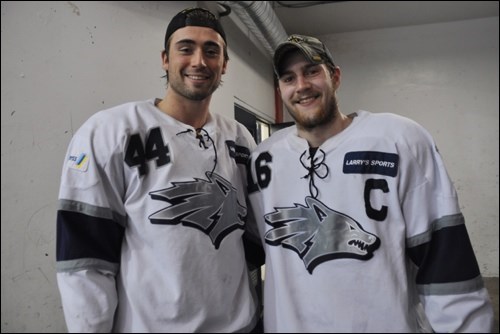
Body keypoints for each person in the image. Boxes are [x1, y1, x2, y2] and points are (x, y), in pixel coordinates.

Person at [246, 34, 494, 332]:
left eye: (312, 71)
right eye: (289, 78)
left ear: (335, 76)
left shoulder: (400, 139)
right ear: (281, 89)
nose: (302, 86)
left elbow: (443, 259)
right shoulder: (262, 159)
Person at [56, 7, 262, 332]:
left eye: (211, 51)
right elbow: (85, 259)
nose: (199, 61)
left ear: (224, 65)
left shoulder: (240, 139)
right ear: (165, 59)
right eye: (186, 48)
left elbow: (253, 238)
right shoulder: (110, 132)